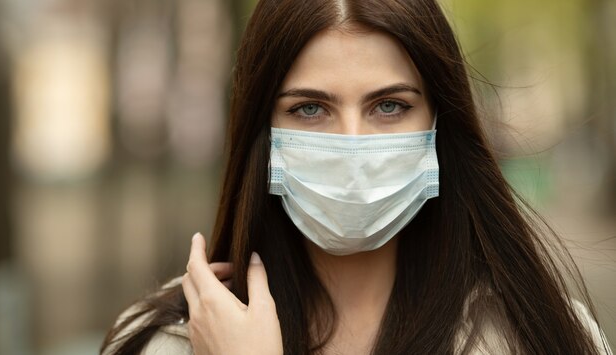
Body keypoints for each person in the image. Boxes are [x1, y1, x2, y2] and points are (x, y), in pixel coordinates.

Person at [101, 0, 613, 354]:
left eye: (389, 106)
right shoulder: (159, 342)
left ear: (438, 123)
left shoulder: (539, 337)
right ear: (263, 131)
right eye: (309, 109)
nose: (353, 144)